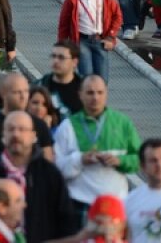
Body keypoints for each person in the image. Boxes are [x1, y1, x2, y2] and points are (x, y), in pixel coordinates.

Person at [0, 112, 77, 242]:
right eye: (11, 129)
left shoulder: (49, 173)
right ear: (3, 135)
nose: (16, 134)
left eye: (22, 129)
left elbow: (66, 219)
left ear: (33, 136)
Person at [53, 75, 141, 213]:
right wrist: (80, 159)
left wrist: (120, 161)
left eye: (100, 92)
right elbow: (56, 168)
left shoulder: (123, 123)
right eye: (90, 93)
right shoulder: (67, 126)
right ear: (80, 95)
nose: (95, 98)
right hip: (79, 204)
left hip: (115, 204)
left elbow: (140, 159)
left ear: (106, 93)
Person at [56, 0, 121, 83]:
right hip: (82, 41)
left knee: (102, 80)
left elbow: (117, 15)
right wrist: (63, 47)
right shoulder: (72, 0)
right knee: (86, 77)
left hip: (100, 40)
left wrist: (111, 36)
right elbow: (63, 26)